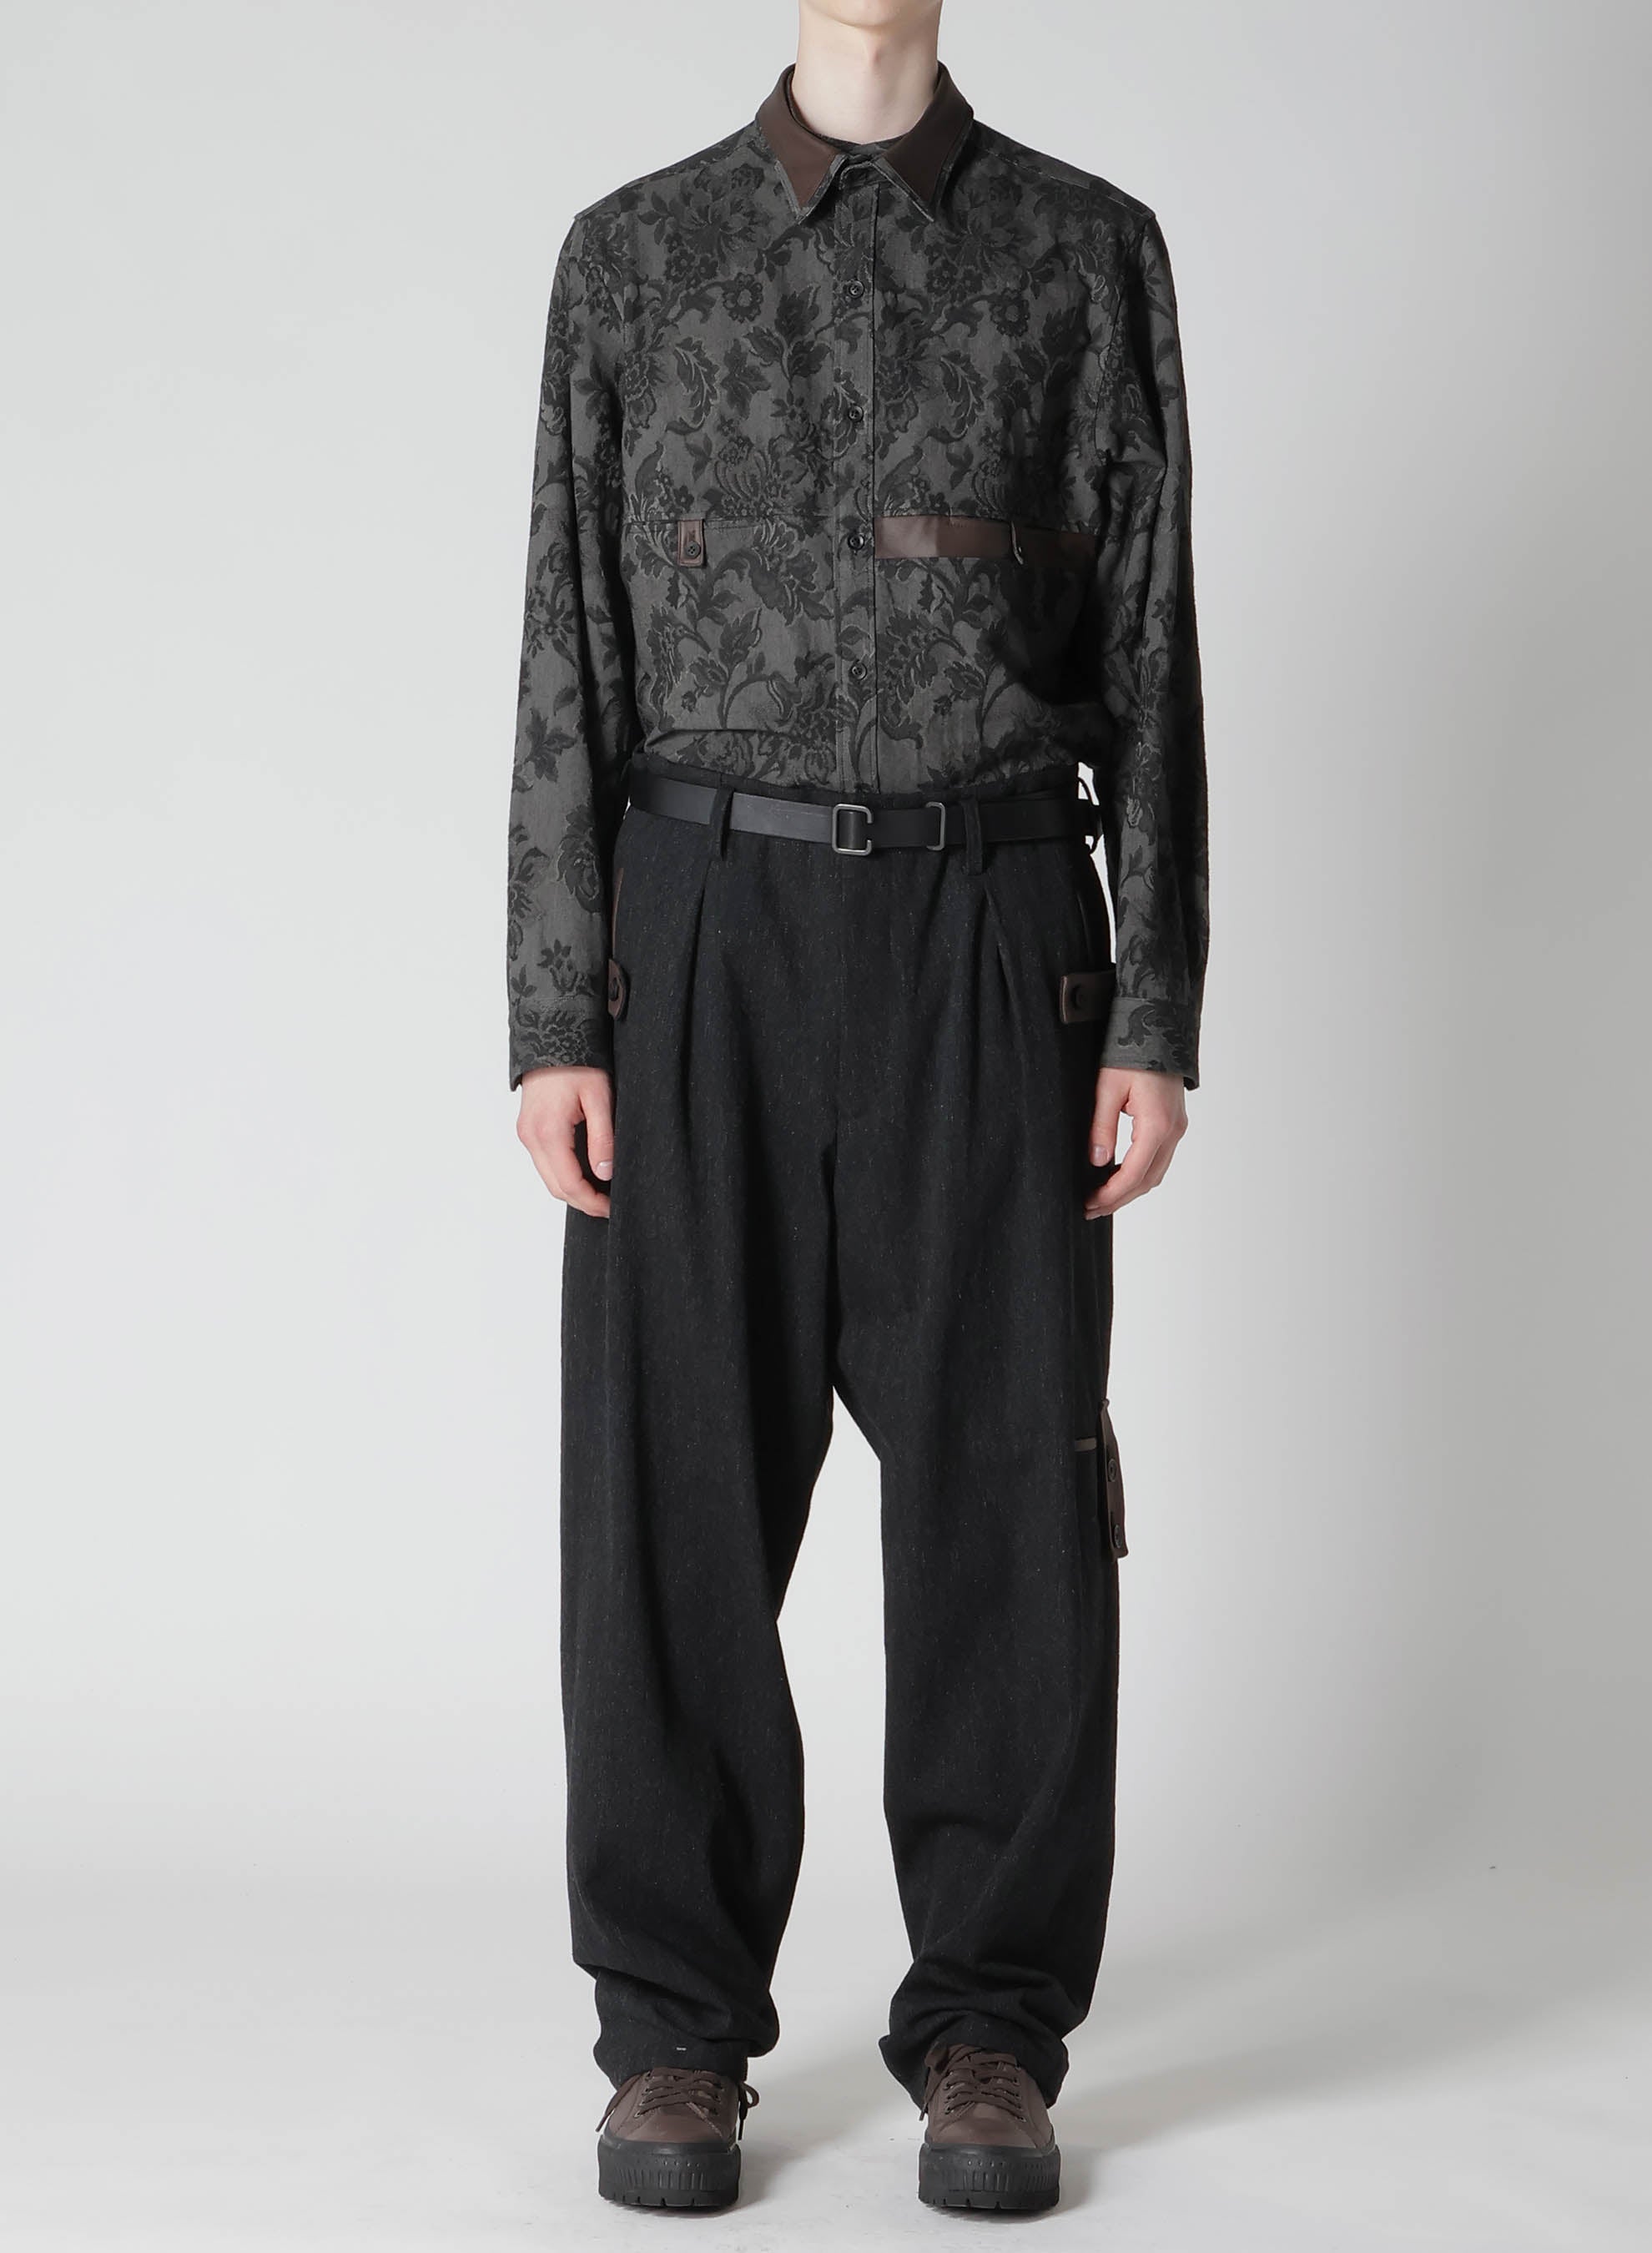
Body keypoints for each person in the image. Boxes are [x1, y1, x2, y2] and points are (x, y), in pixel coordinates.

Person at [508, 0, 1206, 2214]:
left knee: (1010, 1494)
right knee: (669, 1497)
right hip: (696, 923)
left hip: (992, 924)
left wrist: (1153, 1003)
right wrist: (553, 1006)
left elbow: (1152, 646)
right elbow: (569, 633)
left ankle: (991, 2025)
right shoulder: (634, 254)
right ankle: (670, 2033)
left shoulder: (1085, 250)